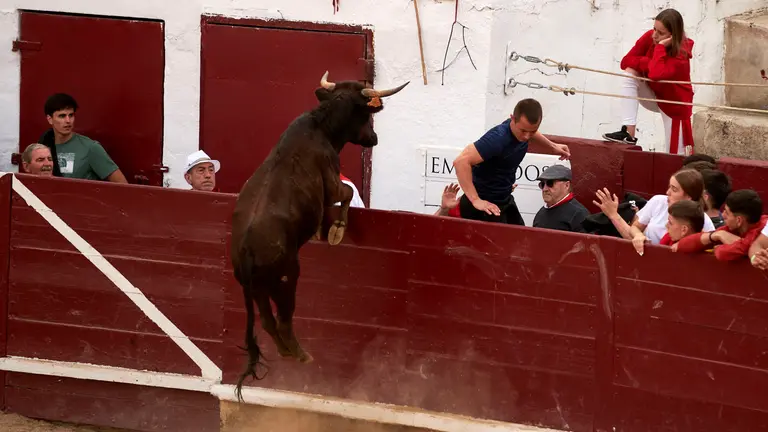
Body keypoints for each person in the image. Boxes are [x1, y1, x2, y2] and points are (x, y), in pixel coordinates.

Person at [452, 98, 570, 225]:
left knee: (521, 238)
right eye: (523, 131)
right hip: (484, 206)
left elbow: (530, 131)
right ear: (512, 118)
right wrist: (476, 200)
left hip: (504, 199)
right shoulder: (497, 139)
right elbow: (460, 162)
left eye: (532, 131)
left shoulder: (524, 130)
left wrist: (553, 146)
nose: (526, 136)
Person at [602, 8, 695, 155]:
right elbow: (625, 61)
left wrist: (659, 48)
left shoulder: (681, 56)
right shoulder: (649, 37)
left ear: (672, 35)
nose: (654, 35)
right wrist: (649, 62)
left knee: (675, 157)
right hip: (654, 94)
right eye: (654, 29)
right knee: (630, 73)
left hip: (674, 105)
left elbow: (656, 74)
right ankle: (628, 132)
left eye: (661, 33)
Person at [593, 168, 715, 255]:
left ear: (688, 196)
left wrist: (614, 215)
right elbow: (634, 229)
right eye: (669, 187)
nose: (668, 192)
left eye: (674, 189)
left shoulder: (704, 221)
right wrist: (638, 235)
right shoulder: (658, 202)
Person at [38, 93, 127, 183]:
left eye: (71, 115)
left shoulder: (90, 148)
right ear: (50, 119)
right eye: (62, 116)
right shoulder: (43, 146)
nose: (68, 121)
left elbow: (122, 185)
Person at [674, 189, 767, 261]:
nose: (723, 215)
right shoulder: (730, 230)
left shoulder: (760, 231)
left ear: (739, 220)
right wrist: (716, 235)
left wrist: (718, 247)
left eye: (726, 212)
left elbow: (722, 254)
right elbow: (683, 245)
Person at [532, 165, 589, 232]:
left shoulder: (579, 214)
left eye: (550, 183)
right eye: (542, 184)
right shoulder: (541, 212)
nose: (545, 189)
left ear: (566, 185)